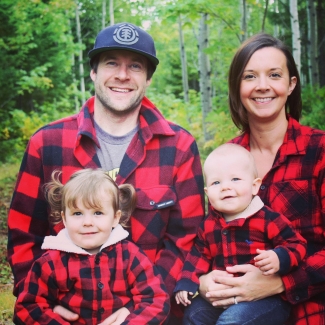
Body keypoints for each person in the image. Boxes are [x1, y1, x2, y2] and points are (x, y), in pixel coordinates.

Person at [7, 22, 205, 324]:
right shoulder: (46, 143)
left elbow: (186, 241)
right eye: (111, 62)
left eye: (135, 66)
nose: (122, 75)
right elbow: (24, 236)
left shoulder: (179, 146)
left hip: (151, 314)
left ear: (148, 78)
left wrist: (143, 307)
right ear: (94, 72)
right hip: (64, 314)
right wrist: (41, 306)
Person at [198, 33, 325, 325]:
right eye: (250, 76)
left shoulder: (319, 151)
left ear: (291, 84)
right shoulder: (225, 160)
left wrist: (280, 283)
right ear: (238, 87)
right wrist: (203, 280)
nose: (262, 86)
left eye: (275, 75)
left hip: (311, 311)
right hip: (233, 309)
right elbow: (212, 235)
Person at [14, 169, 170, 325]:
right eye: (77, 213)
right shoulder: (51, 262)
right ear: (64, 219)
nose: (87, 222)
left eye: (98, 213)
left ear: (115, 218)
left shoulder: (130, 255)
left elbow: (156, 300)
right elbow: (28, 307)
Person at [174, 143, 307, 325]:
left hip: (265, 299)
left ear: (254, 186)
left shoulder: (267, 218)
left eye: (235, 179)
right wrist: (187, 282)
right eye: (216, 182)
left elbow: (296, 244)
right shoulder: (209, 225)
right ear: (207, 193)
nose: (225, 187)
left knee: (234, 319)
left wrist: (279, 257)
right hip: (222, 298)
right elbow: (198, 256)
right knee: (193, 314)